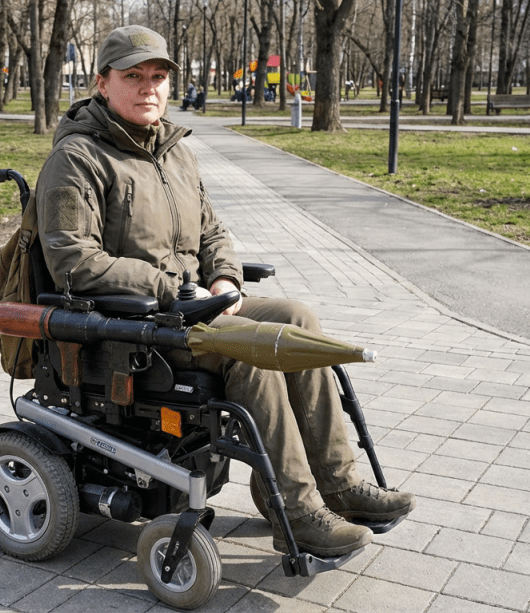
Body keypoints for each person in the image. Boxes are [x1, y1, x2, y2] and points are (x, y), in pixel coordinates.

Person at [34, 25, 415, 558]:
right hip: (131, 324)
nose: (150, 88)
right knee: (253, 351)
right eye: (134, 77)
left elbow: (212, 231)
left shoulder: (175, 151)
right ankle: (299, 515)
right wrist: (172, 289)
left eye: (159, 77)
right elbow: (74, 262)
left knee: (297, 317)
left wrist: (224, 279)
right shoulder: (78, 158)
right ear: (103, 83)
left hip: (193, 306)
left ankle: (339, 483)